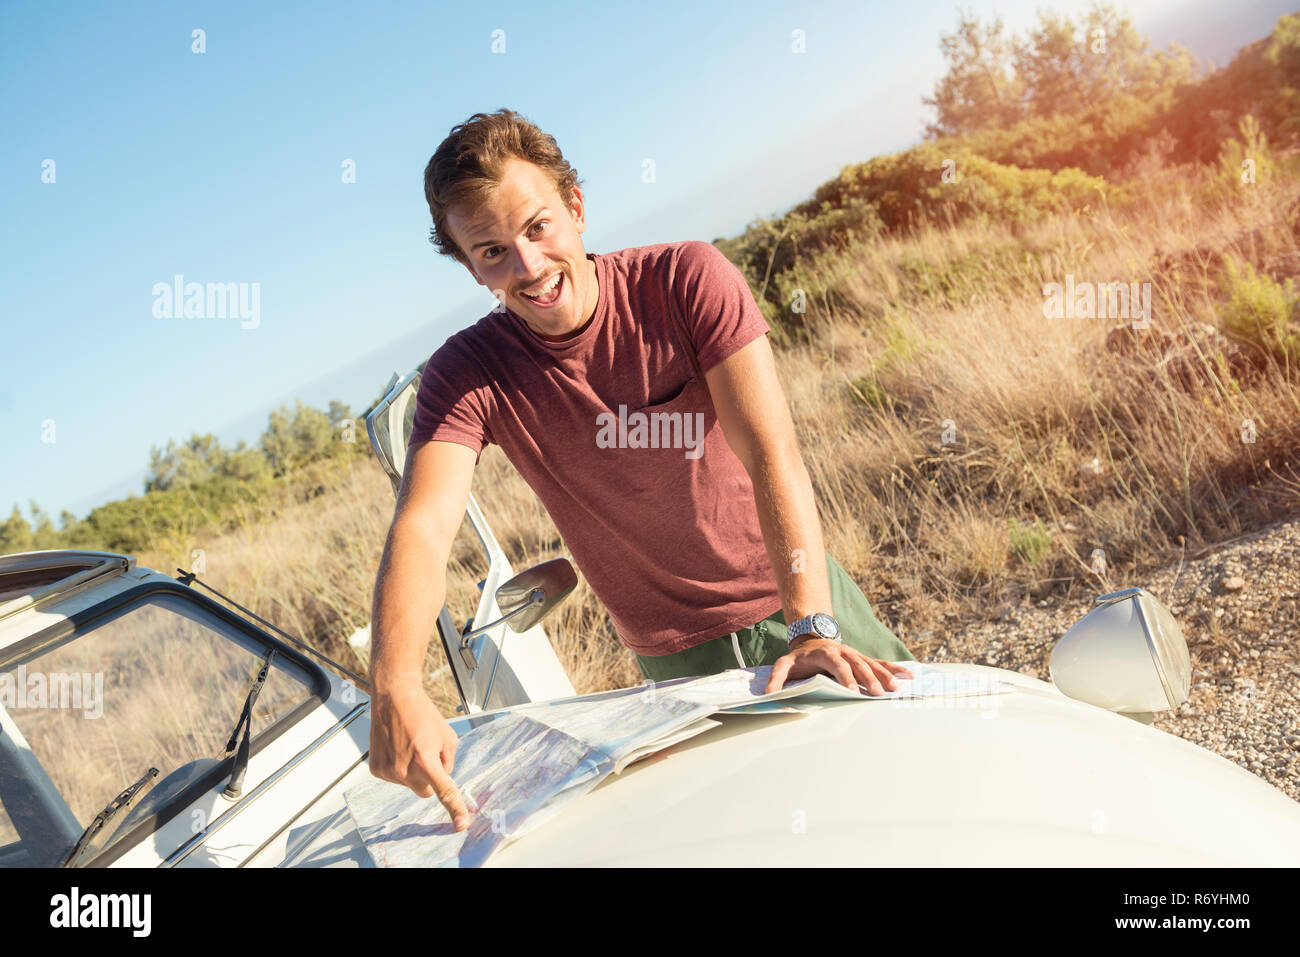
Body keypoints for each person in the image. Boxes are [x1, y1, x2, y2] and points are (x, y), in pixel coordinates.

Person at [368, 109, 915, 828]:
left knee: (906, 786)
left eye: (537, 228)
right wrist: (394, 681)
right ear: (471, 266)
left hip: (801, 602)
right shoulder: (467, 373)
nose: (527, 267)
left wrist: (812, 624)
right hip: (674, 669)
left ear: (576, 207)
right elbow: (425, 523)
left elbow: (771, 452)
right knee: (759, 832)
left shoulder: (685, 279)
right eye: (493, 251)